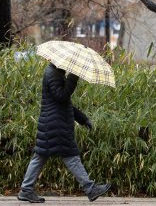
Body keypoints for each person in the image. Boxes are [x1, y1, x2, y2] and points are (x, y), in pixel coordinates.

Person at [18, 63, 110, 203]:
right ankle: (90, 188)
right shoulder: (53, 74)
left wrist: (83, 119)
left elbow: (64, 103)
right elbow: (61, 96)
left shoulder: (55, 72)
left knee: (41, 155)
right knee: (70, 156)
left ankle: (26, 189)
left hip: (52, 122)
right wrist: (73, 77)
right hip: (57, 124)